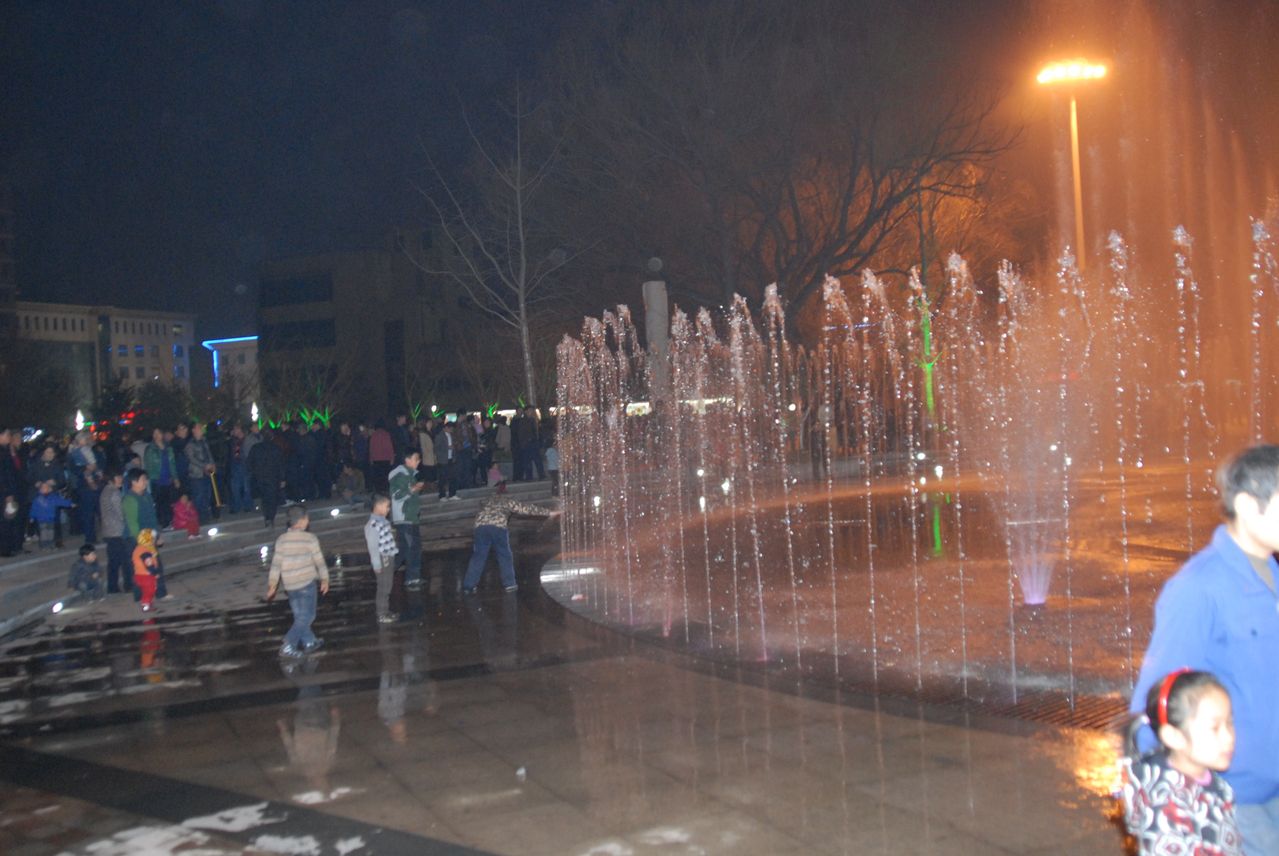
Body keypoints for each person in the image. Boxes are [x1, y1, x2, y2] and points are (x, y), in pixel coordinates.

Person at [1130, 445, 1279, 855]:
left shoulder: (1272, 577)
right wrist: (1167, 795)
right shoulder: (1198, 587)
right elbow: (1157, 699)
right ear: (1247, 505)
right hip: (1233, 797)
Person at [1121, 670, 1241, 855]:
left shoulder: (1212, 783)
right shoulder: (1167, 812)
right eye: (1214, 728)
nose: (1229, 737)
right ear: (1174, 737)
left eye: (1230, 723)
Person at [461, 481, 559, 594]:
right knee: (504, 555)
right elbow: (526, 509)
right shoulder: (507, 501)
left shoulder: (486, 501)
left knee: (478, 556)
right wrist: (549, 513)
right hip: (498, 526)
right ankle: (509, 584)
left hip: (480, 528)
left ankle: (469, 585)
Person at [266, 505, 330, 657]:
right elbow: (319, 561)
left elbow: (276, 564)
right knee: (308, 616)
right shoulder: (310, 539)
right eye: (307, 519)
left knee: (300, 615)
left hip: (290, 586)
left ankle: (309, 641)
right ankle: (289, 644)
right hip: (306, 583)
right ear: (302, 521)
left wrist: (272, 585)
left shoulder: (281, 540)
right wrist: (325, 579)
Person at [122, 468, 167, 600]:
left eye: (146, 479)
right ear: (134, 482)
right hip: (135, 539)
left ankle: (160, 593)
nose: (146, 482)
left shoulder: (147, 496)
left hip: (149, 536)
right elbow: (132, 523)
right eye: (143, 480)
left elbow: (152, 518)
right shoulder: (129, 499)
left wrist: (157, 535)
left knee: (156, 565)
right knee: (139, 569)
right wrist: (141, 542)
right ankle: (141, 596)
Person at [388, 450, 426, 589]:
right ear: (407, 459)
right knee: (412, 548)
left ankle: (388, 572)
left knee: (406, 548)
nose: (418, 462)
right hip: (404, 518)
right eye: (416, 458)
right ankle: (412, 579)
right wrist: (414, 489)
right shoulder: (401, 475)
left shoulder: (410, 475)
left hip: (411, 517)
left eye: (419, 459)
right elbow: (397, 495)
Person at [363, 494, 399, 625]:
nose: (388, 509)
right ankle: (381, 614)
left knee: (388, 585)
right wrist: (376, 564)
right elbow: (372, 547)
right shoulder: (373, 525)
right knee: (383, 586)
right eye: (386, 506)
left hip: (388, 556)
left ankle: (386, 610)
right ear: (378, 506)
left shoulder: (382, 521)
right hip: (383, 558)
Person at [99, 470, 131, 593]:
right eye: (118, 477)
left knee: (113, 562)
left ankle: (112, 587)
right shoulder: (114, 492)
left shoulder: (105, 491)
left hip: (108, 532)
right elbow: (121, 512)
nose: (120, 479)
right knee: (125, 561)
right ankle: (129, 585)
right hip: (117, 531)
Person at [247, 428, 286, 529]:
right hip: (273, 477)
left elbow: (249, 463)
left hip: (260, 477)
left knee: (264, 498)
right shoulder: (276, 448)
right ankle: (270, 517)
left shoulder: (256, 448)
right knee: (272, 498)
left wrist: (255, 473)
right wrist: (282, 478)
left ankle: (267, 516)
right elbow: (280, 464)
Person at [144, 428, 180, 529]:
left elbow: (172, 464)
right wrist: (151, 477)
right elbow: (148, 465)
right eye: (154, 433)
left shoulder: (168, 448)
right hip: (157, 479)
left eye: (158, 433)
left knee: (168, 501)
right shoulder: (150, 449)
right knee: (160, 502)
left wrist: (175, 477)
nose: (156, 435)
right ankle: (163, 523)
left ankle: (169, 521)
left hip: (168, 478)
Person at [184, 422, 215, 521]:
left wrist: (212, 464)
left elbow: (209, 454)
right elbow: (192, 458)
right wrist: (205, 465)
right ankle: (198, 518)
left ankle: (205, 516)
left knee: (207, 494)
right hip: (196, 474)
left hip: (207, 473)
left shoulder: (204, 441)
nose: (201, 429)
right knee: (198, 496)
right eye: (199, 427)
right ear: (193, 430)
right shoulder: (190, 444)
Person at [29, 481, 73, 549]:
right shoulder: (37, 499)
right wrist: (32, 517)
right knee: (43, 533)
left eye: (47, 487)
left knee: (51, 532)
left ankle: (50, 544)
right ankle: (44, 546)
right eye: (43, 488)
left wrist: (69, 503)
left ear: (50, 489)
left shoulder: (53, 497)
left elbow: (61, 502)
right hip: (41, 519)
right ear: (40, 490)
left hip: (51, 519)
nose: (45, 489)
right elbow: (34, 509)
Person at [131, 528, 162, 612]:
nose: (154, 541)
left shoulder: (138, 548)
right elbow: (148, 563)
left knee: (146, 590)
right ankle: (146, 605)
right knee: (150, 590)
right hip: (146, 575)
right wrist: (155, 572)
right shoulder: (145, 550)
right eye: (152, 539)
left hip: (139, 574)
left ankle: (148, 603)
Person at [433, 421, 458, 501]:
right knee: (442, 478)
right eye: (451, 429)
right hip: (443, 460)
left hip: (451, 459)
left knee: (453, 477)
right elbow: (436, 448)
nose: (452, 430)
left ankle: (452, 494)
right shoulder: (439, 436)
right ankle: (442, 495)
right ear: (446, 428)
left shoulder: (451, 435)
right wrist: (447, 448)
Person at [368, 420, 395, 492]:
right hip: (386, 459)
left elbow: (371, 448)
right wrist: (392, 458)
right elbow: (389, 447)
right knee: (386, 476)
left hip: (376, 459)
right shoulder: (386, 434)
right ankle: (385, 490)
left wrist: (371, 459)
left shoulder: (373, 435)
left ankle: (379, 490)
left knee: (378, 477)